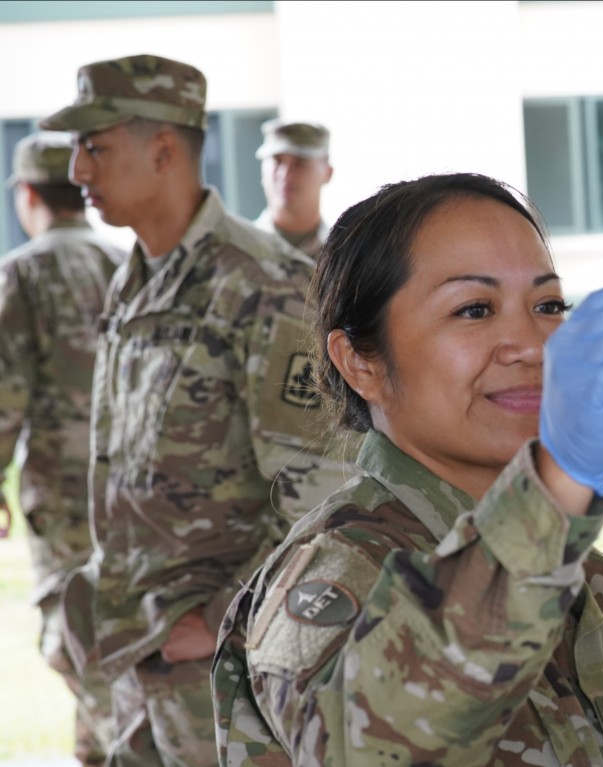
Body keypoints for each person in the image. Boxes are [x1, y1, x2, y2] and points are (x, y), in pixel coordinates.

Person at [212, 173, 603, 766]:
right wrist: (555, 483)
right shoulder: (339, 566)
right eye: (474, 310)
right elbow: (368, 749)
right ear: (361, 362)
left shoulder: (584, 570)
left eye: (548, 305)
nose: (530, 343)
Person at [40, 54, 350, 765]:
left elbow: (320, 486)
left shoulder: (260, 282)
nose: (78, 171)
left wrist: (218, 618)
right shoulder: (137, 277)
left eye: (94, 146)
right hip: (140, 657)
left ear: (163, 149)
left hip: (221, 672)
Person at [0, 130, 123, 766]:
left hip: (65, 496)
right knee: (112, 629)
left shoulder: (22, 273)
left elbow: (4, 394)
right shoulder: (125, 262)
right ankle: (98, 752)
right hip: (136, 493)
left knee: (73, 639)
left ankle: (124, 749)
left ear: (27, 195)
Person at [253, 119, 332, 259]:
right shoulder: (241, 248)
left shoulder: (341, 252)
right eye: (277, 160)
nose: (285, 175)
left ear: (327, 173)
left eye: (300, 163)